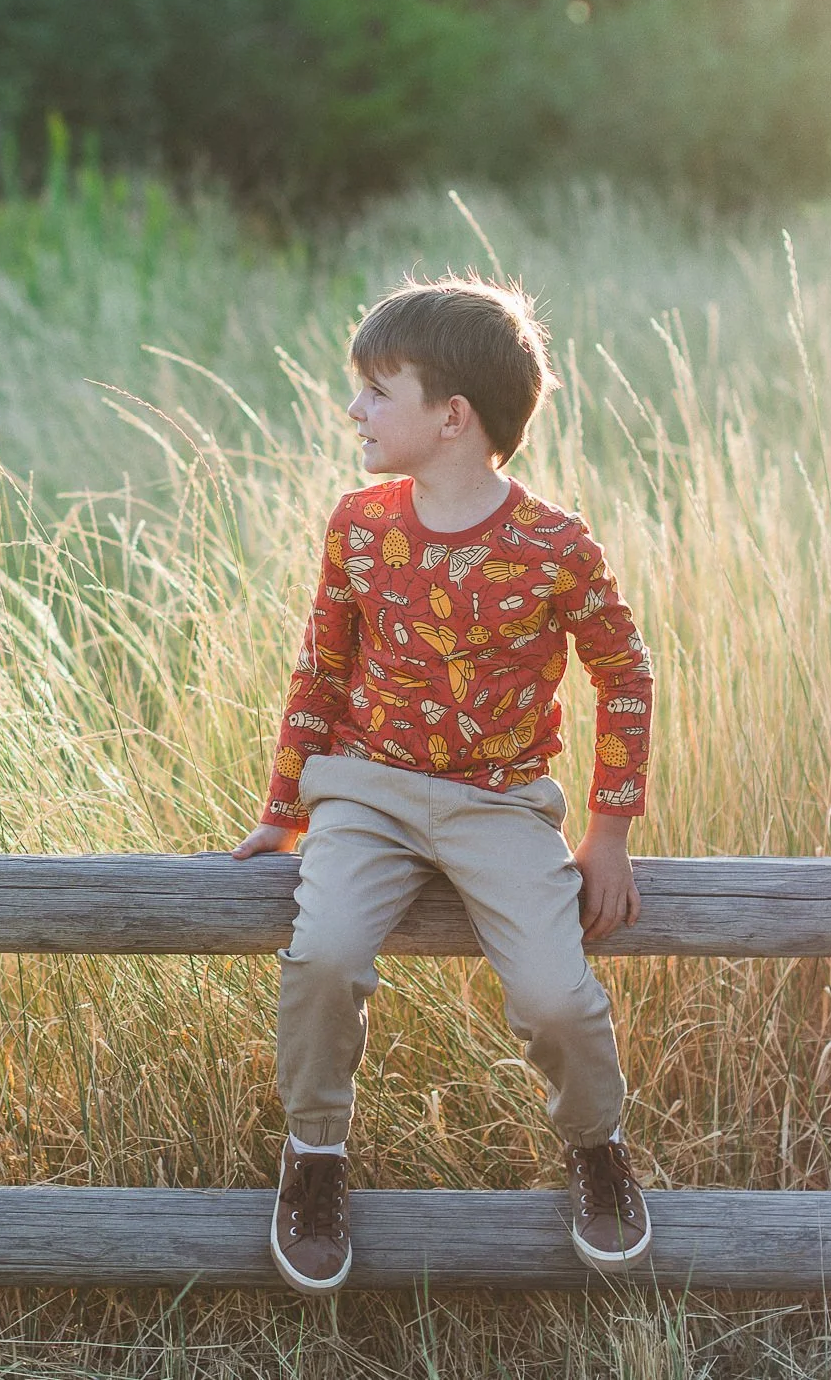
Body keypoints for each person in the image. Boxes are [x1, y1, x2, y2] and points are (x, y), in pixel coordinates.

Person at [233, 275, 655, 1294]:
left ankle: (596, 1146)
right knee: (324, 953)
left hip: (501, 802)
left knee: (556, 996)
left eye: (379, 391)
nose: (355, 409)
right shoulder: (358, 525)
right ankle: (315, 1152)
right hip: (365, 793)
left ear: (452, 416)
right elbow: (321, 671)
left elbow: (624, 673)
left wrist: (608, 833)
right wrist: (284, 812)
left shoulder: (554, 546)